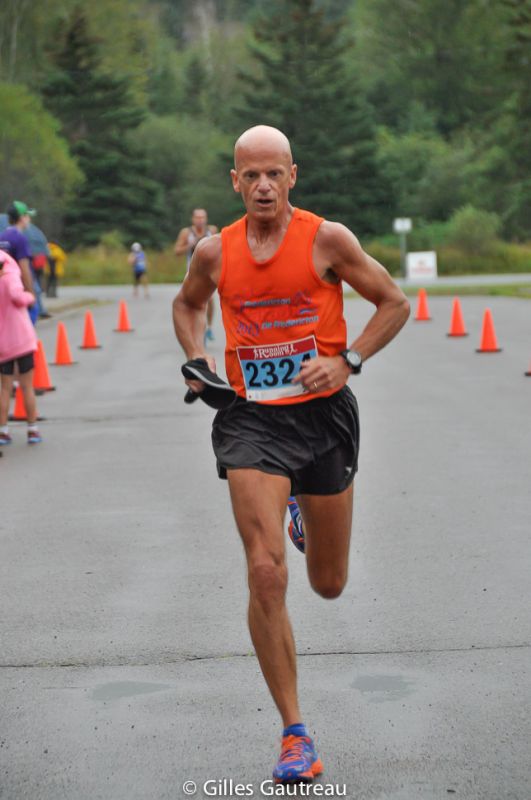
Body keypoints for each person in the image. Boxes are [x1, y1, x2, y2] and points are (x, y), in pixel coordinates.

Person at [172, 125, 410, 784]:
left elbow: (393, 302)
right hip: (250, 420)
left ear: (293, 176)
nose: (263, 186)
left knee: (326, 584)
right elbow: (187, 306)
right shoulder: (214, 251)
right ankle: (293, 732)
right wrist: (195, 361)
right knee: (265, 572)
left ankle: (306, 509)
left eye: (274, 173)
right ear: (234, 182)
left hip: (323, 416)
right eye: (250, 175)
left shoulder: (326, 239)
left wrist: (347, 359)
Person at [0, 249, 41, 445]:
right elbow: (18, 297)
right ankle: (32, 430)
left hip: (2, 344)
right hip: (22, 340)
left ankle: (3, 432)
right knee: (27, 387)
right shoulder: (10, 278)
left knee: (5, 388)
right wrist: (30, 297)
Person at [174, 209, 218, 341]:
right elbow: (176, 251)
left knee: (210, 299)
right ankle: (193, 329)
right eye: (197, 218)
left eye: (202, 217)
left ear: (206, 219)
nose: (200, 220)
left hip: (209, 271)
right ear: (193, 219)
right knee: (191, 301)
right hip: (192, 272)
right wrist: (189, 245)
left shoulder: (212, 230)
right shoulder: (186, 233)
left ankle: (209, 327)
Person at [0, 201, 36, 311]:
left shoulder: (2, 236)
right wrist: (30, 294)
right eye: (28, 216)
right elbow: (24, 269)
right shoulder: (20, 239)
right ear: (22, 217)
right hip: (18, 290)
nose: (29, 219)